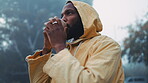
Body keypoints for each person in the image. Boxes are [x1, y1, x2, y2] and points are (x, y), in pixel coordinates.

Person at [26, 1, 124, 83]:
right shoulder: (66, 51)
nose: (63, 19)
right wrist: (46, 49)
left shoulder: (106, 45)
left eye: (69, 13)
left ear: (84, 18)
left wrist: (59, 46)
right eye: (62, 15)